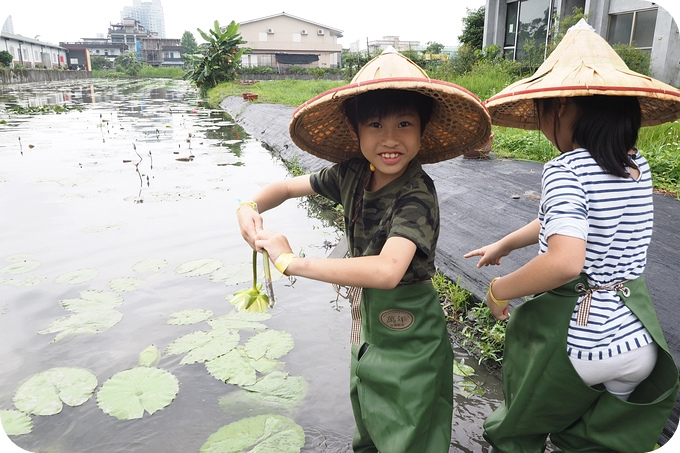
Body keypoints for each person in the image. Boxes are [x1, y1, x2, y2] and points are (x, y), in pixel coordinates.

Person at [238, 46, 492, 452]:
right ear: (356, 131)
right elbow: (286, 188)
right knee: (369, 402)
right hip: (370, 313)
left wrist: (292, 261)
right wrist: (249, 207)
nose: (390, 139)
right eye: (375, 124)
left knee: (411, 423)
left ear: (422, 132)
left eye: (404, 124)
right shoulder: (352, 173)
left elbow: (387, 270)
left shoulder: (416, 195)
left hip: (411, 322)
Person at [464, 20, 680, 452]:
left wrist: (499, 289)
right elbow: (575, 224)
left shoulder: (566, 170)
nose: (543, 124)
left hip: (583, 344)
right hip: (637, 341)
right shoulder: (636, 167)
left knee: (518, 428)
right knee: (591, 440)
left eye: (543, 109)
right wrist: (507, 243)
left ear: (560, 107)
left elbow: (565, 262)